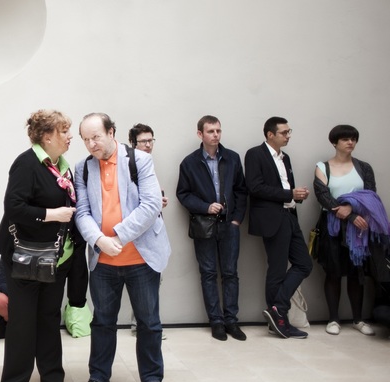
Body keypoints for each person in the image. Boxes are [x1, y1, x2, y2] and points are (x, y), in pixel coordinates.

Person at [75, 113, 171, 382]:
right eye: (86, 139)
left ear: (111, 132)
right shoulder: (83, 168)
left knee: (149, 322)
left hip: (141, 258)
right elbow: (82, 212)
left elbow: (151, 205)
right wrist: (99, 240)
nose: (91, 144)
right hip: (103, 262)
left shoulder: (139, 160)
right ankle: (98, 377)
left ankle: (152, 379)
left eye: (96, 137)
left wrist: (117, 236)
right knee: (102, 322)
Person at [0, 109, 84, 382]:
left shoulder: (62, 168)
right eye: (64, 131)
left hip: (56, 259)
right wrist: (52, 215)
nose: (70, 137)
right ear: (46, 136)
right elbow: (14, 208)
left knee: (49, 318)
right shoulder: (26, 163)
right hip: (26, 257)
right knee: (21, 321)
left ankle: (52, 377)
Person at [177, 116, 248, 341]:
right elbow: (183, 194)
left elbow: (241, 190)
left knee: (230, 273)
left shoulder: (232, 158)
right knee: (208, 273)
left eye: (218, 130)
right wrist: (205, 207)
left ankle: (231, 321)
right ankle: (216, 322)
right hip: (204, 225)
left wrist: (237, 219)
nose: (216, 135)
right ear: (200, 134)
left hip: (229, 225)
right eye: (210, 131)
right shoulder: (189, 162)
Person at [313, 125, 386, 336]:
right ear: (334, 142)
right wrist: (349, 215)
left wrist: (351, 209)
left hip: (359, 228)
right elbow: (323, 196)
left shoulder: (364, 167)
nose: (350, 142)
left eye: (353, 139)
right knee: (333, 272)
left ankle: (357, 319)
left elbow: (370, 196)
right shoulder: (322, 167)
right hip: (332, 226)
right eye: (345, 139)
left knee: (357, 272)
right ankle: (333, 319)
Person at [244, 116, 313, 339]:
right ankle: (279, 320)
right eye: (284, 132)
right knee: (277, 270)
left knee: (304, 264)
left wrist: (296, 196)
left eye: (289, 131)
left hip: (290, 215)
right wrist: (289, 194)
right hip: (272, 219)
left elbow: (285, 188)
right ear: (270, 134)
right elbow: (255, 187)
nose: (288, 136)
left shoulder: (286, 158)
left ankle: (277, 309)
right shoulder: (255, 154)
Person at [127, 123, 168, 340]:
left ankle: (147, 325)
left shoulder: (147, 163)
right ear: (133, 143)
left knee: (153, 280)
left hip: (154, 230)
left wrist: (159, 202)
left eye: (151, 140)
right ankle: (143, 326)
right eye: (143, 141)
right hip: (137, 234)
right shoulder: (129, 165)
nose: (148, 145)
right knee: (143, 282)